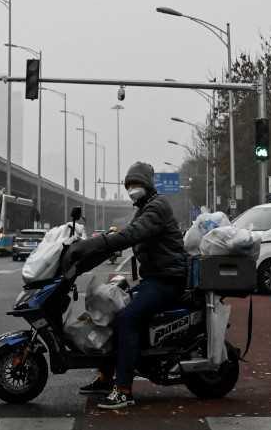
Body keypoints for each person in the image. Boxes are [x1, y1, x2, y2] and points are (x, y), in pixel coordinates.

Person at [72, 162, 188, 411]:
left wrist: (100, 242)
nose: (132, 189)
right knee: (110, 308)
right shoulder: (146, 207)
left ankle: (124, 390)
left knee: (127, 319)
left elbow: (133, 234)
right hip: (154, 278)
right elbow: (124, 236)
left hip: (167, 280)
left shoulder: (157, 207)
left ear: (147, 184)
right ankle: (106, 378)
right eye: (129, 186)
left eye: (136, 184)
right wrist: (86, 254)